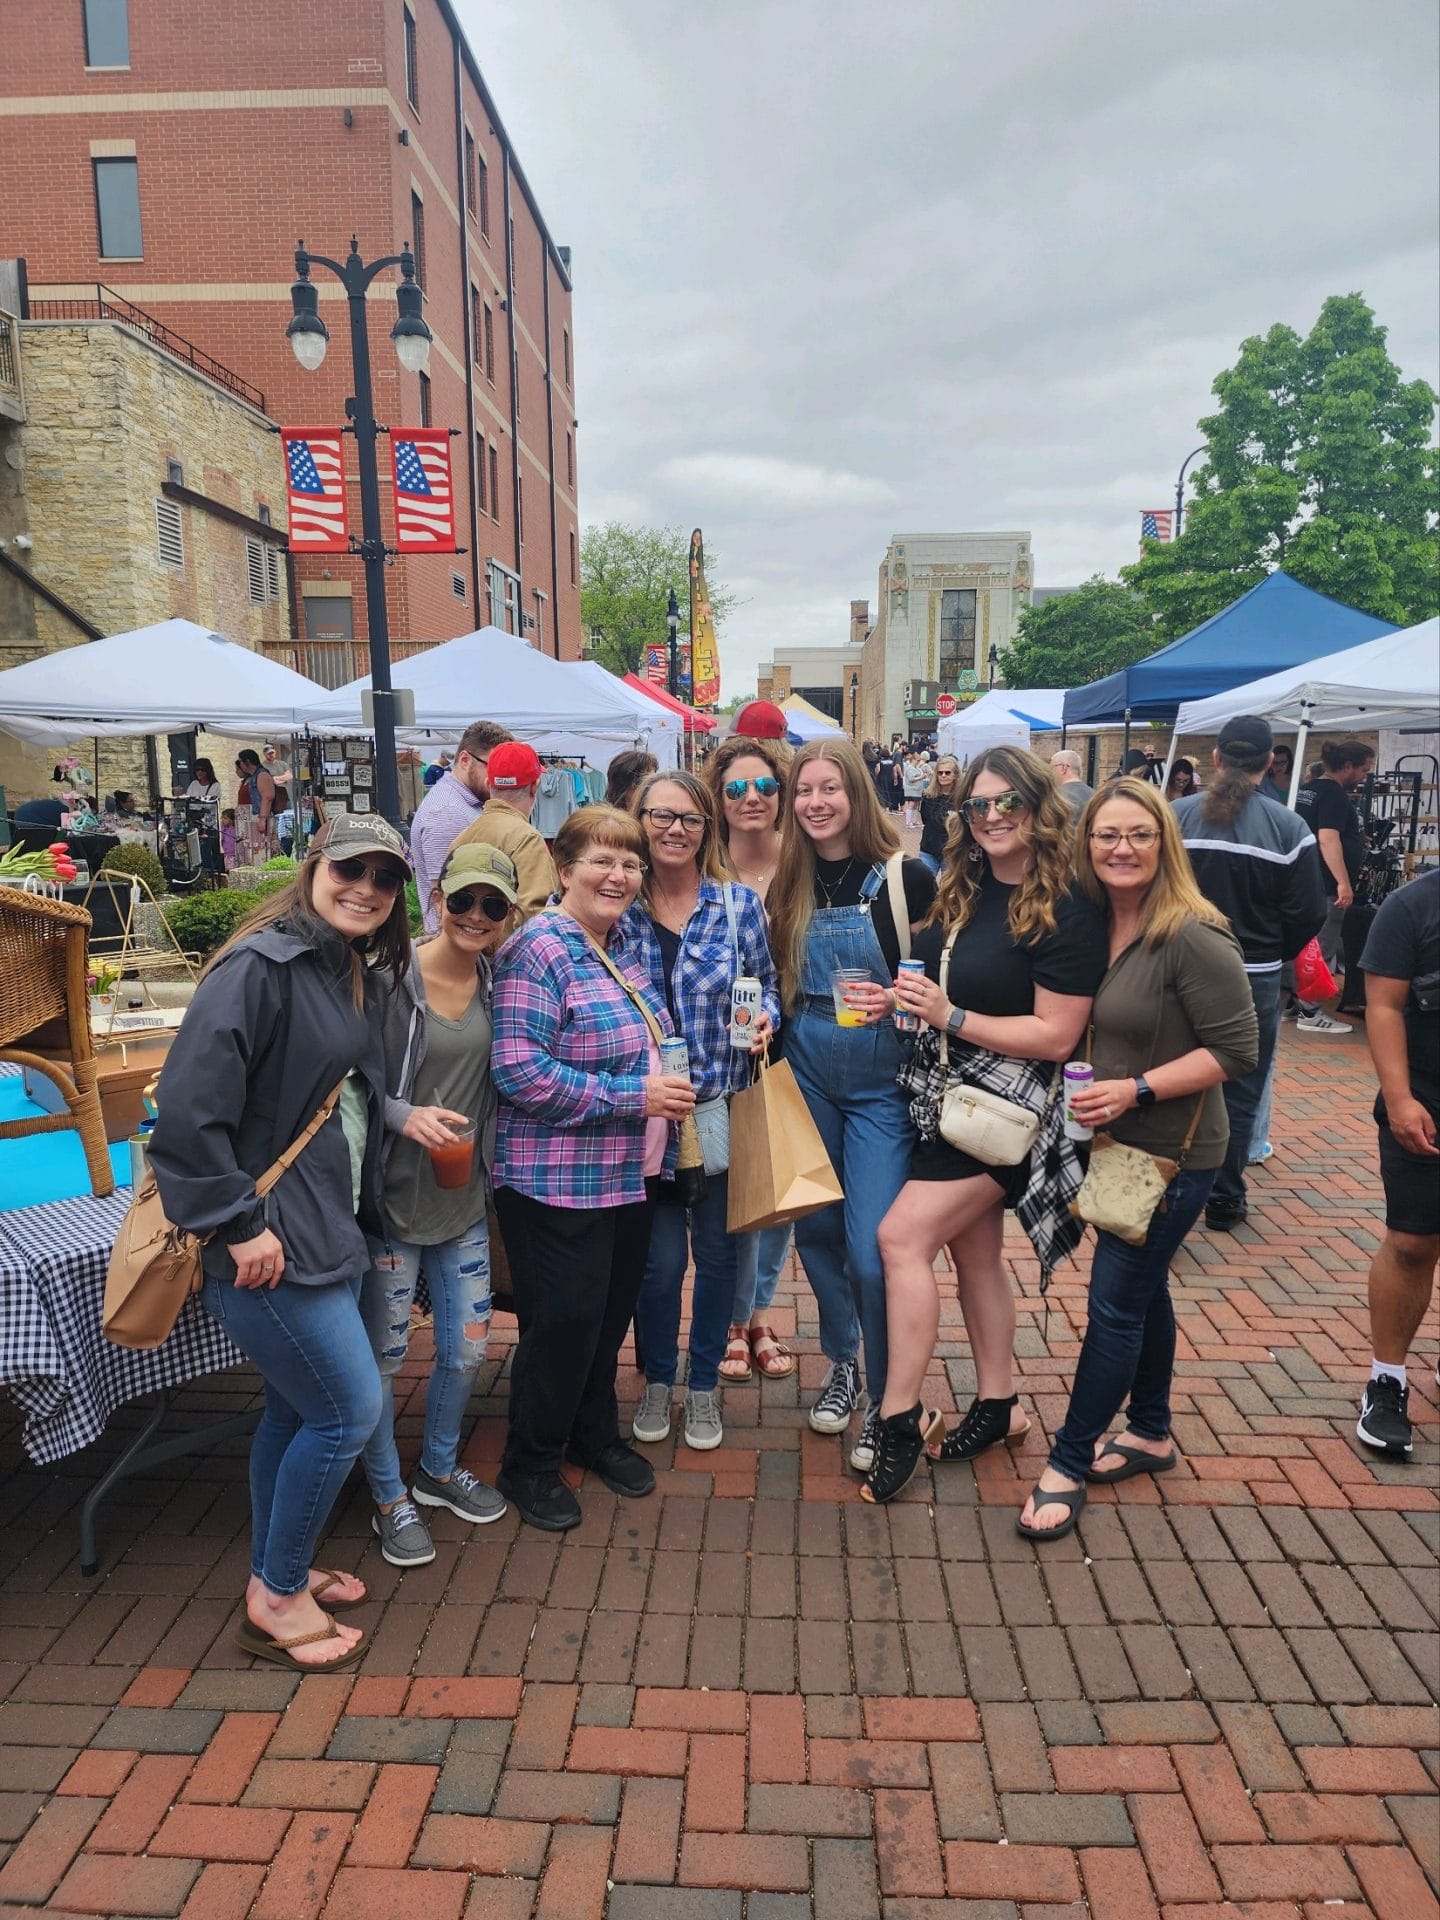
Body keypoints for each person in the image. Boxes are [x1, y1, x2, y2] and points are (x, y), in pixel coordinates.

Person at [147, 814, 413, 1668]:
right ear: (313, 866)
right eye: (350, 869)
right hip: (268, 1239)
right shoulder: (258, 968)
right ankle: (276, 1598)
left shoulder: (341, 964)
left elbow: (334, 1095)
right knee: (348, 1411)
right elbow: (187, 1115)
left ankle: (276, 1567)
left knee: (297, 1411)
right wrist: (237, 1224)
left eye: (383, 877)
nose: (364, 888)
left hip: (325, 1225)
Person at [1017, 779, 1257, 1539]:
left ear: (1165, 843)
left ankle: (1068, 1460)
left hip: (1171, 1155)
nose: (1121, 849)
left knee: (1115, 1305)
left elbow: (1237, 1051)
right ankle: (1151, 1429)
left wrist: (1136, 1090)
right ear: (1086, 844)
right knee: (1144, 1291)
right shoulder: (1096, 922)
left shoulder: (1190, 932)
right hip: (1114, 1147)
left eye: (1138, 835)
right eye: (1106, 835)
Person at [866, 747, 1106, 1502]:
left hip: (1012, 1113)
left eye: (1010, 803)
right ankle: (1000, 1404)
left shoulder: (1066, 905)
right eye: (979, 806)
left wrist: (953, 1015)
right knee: (974, 1256)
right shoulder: (961, 888)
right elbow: (938, 989)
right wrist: (904, 1002)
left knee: (901, 1237)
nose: (994, 817)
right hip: (948, 1102)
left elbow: (1058, 1036)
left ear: (1040, 807)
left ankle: (899, 1416)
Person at [489, 805, 695, 1531]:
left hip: (626, 1175)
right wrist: (631, 1094)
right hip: (554, 1180)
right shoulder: (538, 949)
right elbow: (519, 1072)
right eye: (602, 861)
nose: (619, 875)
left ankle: (592, 1434)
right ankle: (530, 1462)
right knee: (562, 1323)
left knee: (607, 1319)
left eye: (631, 863)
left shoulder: (616, 943)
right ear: (564, 866)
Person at [766, 738, 936, 1467]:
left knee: (874, 1251)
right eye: (804, 790)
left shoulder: (906, 879)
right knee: (820, 1238)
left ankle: (891, 1397)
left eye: (830, 788)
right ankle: (843, 1365)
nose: (816, 802)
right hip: (807, 1072)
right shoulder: (787, 881)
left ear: (856, 794)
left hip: (882, 1087)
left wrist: (897, 1000)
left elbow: (940, 983)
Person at [359, 843, 520, 1566]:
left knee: (466, 1349)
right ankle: (388, 1496)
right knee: (386, 1357)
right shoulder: (389, 981)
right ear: (438, 897)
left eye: (492, 906)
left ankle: (437, 1468)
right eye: (463, 901)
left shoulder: (498, 979)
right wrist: (404, 1116)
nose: (475, 917)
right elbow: (351, 1084)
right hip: (393, 1201)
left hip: (461, 1199)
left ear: (508, 915)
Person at [624, 772, 779, 1450]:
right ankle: (659, 1377)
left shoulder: (737, 905)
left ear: (705, 828)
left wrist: (767, 1020)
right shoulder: (615, 901)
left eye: (688, 818)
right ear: (641, 821)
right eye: (662, 816)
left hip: (718, 1106)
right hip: (643, 1115)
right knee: (657, 1266)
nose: (675, 829)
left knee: (720, 1258)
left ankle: (705, 1384)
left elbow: (766, 986)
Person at [1173, 716, 1327, 1232]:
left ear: (1215, 759)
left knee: (1168, 1074)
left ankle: (1165, 1187)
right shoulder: (1289, 829)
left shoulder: (1174, 818)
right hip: (1252, 974)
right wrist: (1272, 953)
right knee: (1239, 1086)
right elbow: (1310, 912)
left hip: (1174, 968)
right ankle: (1224, 1194)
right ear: (1269, 763)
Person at [707, 734, 797, 1381]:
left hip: (796, 1039)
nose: (751, 798)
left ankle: (760, 1311)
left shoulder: (805, 863)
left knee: (781, 1188)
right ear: (719, 797)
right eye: (736, 788)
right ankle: (738, 1319)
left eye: (764, 786)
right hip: (729, 1047)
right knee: (739, 1190)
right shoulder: (708, 868)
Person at [1355, 868, 1439, 1456]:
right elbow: (1382, 1006)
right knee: (1412, 1243)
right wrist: (1400, 1098)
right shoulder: (1411, 907)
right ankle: (1387, 1380)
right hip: (1426, 1102)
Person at [1293, 737, 1376, 1034]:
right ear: (1348, 766)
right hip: (1326, 884)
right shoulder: (1333, 796)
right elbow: (1327, 838)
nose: (1364, 777)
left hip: (1307, 881)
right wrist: (1343, 882)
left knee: (1304, 946)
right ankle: (1310, 1012)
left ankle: (1296, 1005)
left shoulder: (1309, 790)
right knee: (1322, 946)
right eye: (1364, 771)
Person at [410, 719, 514, 929]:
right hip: (456, 944)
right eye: (494, 767)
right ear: (465, 760)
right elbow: (446, 899)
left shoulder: (463, 804)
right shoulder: (447, 813)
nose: (499, 777)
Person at [450, 741, 559, 921]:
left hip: (469, 947)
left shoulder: (463, 837)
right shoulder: (527, 839)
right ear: (535, 786)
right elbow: (534, 916)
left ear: (488, 783)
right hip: (512, 949)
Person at [917, 755, 960, 876]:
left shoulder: (961, 798)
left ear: (955, 774)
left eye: (947, 773)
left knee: (949, 890)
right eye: (940, 773)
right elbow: (925, 820)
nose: (943, 776)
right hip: (929, 849)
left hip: (951, 851)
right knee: (925, 887)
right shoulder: (928, 796)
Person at [234, 748, 277, 861]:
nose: (240, 765)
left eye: (240, 762)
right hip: (247, 822)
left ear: (247, 762)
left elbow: (267, 797)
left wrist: (262, 819)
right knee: (249, 851)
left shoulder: (262, 774)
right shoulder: (250, 777)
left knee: (259, 849)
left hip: (256, 818)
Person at [1049, 749, 1093, 820]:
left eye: (1051, 768)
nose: (1050, 772)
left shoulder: (1055, 797)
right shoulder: (1095, 795)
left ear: (1063, 768)